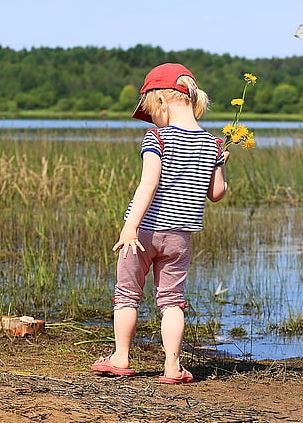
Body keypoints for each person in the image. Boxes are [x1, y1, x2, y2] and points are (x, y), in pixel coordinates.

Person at [91, 63, 229, 384]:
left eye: (151, 110)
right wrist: (221, 162)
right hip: (180, 236)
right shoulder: (213, 143)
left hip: (142, 232)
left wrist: (130, 227)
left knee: (126, 295)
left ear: (162, 102)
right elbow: (217, 193)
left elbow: (148, 184)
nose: (151, 118)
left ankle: (121, 357)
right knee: (171, 301)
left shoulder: (157, 136)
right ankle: (172, 366)